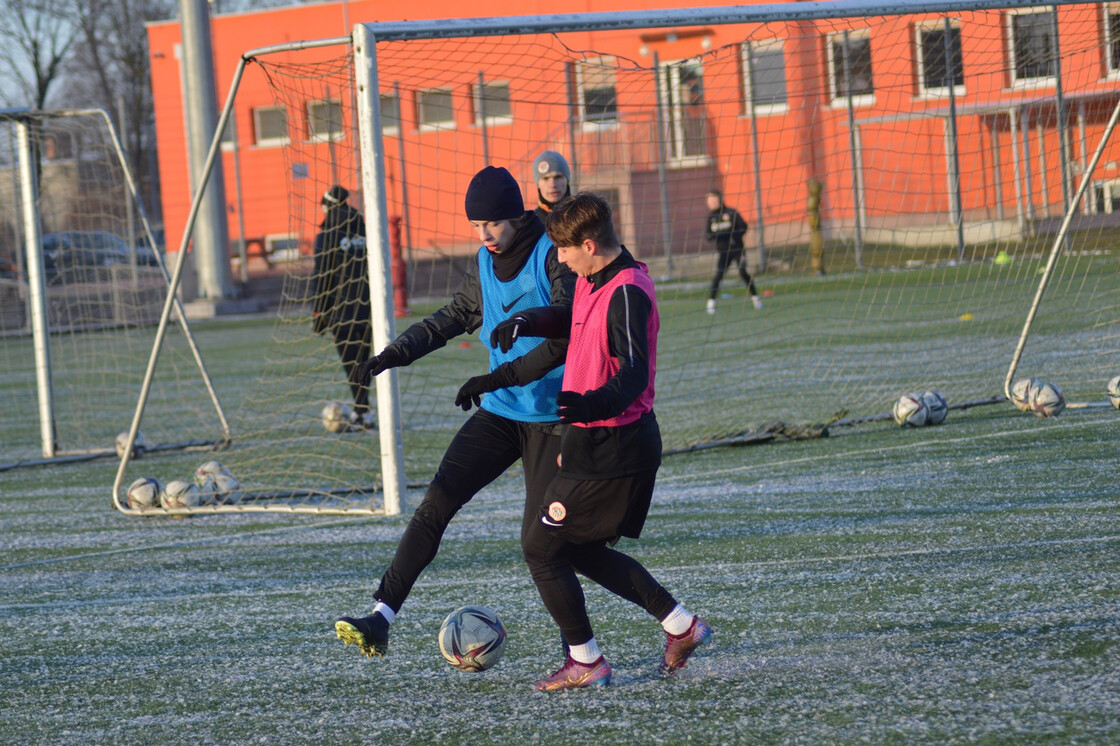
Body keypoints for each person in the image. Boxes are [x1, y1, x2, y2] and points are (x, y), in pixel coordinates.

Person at [334, 166, 576, 658]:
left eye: (491, 223)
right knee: (436, 503)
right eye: (475, 226)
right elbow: (447, 320)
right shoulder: (484, 265)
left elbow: (569, 325)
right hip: (500, 412)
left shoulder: (553, 254)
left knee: (545, 547)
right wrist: (390, 356)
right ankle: (381, 616)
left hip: (553, 420)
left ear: (514, 214)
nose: (484, 234)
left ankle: (592, 649)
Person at [490, 192, 712, 691]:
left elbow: (633, 376)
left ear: (589, 245)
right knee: (579, 551)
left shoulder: (628, 291)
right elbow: (570, 325)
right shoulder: (595, 279)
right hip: (594, 441)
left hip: (619, 443)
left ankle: (586, 662)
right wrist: (527, 320)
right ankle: (681, 626)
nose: (560, 259)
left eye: (564, 251)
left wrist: (590, 406)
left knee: (542, 547)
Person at [311, 185, 374, 430]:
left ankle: (362, 411)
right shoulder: (365, 228)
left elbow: (323, 277)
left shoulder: (327, 234)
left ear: (326, 207)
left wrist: (319, 313)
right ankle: (363, 413)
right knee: (365, 361)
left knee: (351, 364)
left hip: (341, 310)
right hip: (369, 308)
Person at [704, 189, 762, 314]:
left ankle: (756, 298)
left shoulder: (731, 213)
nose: (710, 202)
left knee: (743, 272)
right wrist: (717, 235)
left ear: (719, 199)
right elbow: (708, 235)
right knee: (718, 275)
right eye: (709, 199)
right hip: (724, 253)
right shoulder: (711, 217)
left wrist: (733, 235)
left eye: (712, 199)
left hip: (737, 250)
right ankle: (711, 302)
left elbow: (744, 227)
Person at [531, 150, 572, 222]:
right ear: (538, 184)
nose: (553, 185)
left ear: (567, 180)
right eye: (545, 179)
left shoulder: (584, 216)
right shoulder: (531, 224)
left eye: (558, 177)